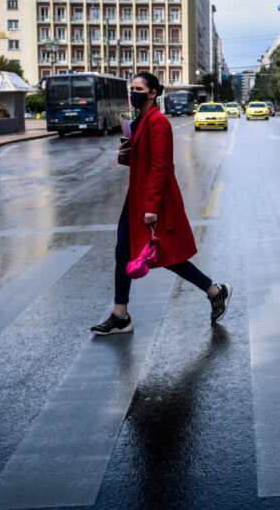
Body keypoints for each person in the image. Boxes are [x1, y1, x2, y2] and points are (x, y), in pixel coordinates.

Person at [91, 71, 233, 335]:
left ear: (153, 93)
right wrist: (125, 154)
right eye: (131, 88)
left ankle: (215, 291)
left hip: (152, 202)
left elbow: (160, 167)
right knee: (124, 254)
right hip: (136, 202)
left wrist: (151, 207)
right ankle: (120, 315)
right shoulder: (141, 120)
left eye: (139, 88)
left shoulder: (158, 122)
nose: (133, 93)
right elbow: (141, 161)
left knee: (168, 257)